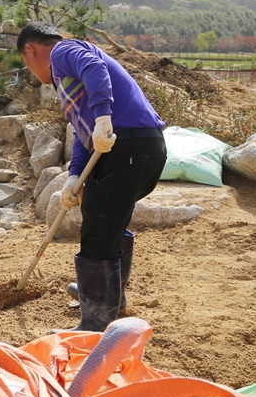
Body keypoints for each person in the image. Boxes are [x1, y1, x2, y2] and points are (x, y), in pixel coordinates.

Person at [16, 22, 167, 332]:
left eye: (25, 63)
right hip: (143, 147)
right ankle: (112, 296)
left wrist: (103, 118)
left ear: (29, 51)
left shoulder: (63, 51)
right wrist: (74, 178)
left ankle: (96, 322)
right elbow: (87, 137)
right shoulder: (68, 84)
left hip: (126, 145)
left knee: (98, 231)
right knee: (109, 222)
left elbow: (94, 67)